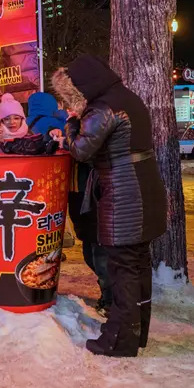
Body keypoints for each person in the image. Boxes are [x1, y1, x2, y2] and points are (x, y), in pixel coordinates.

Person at [52, 54, 167, 358]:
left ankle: (119, 341)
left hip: (124, 195)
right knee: (138, 265)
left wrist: (71, 125)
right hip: (146, 190)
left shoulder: (102, 109)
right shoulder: (129, 99)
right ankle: (135, 332)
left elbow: (81, 151)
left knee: (123, 269)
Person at [28, 92, 113, 315]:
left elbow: (87, 153)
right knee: (89, 247)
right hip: (76, 195)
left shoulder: (95, 126)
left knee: (99, 249)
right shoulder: (67, 124)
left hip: (93, 194)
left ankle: (112, 298)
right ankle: (110, 293)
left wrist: (68, 135)